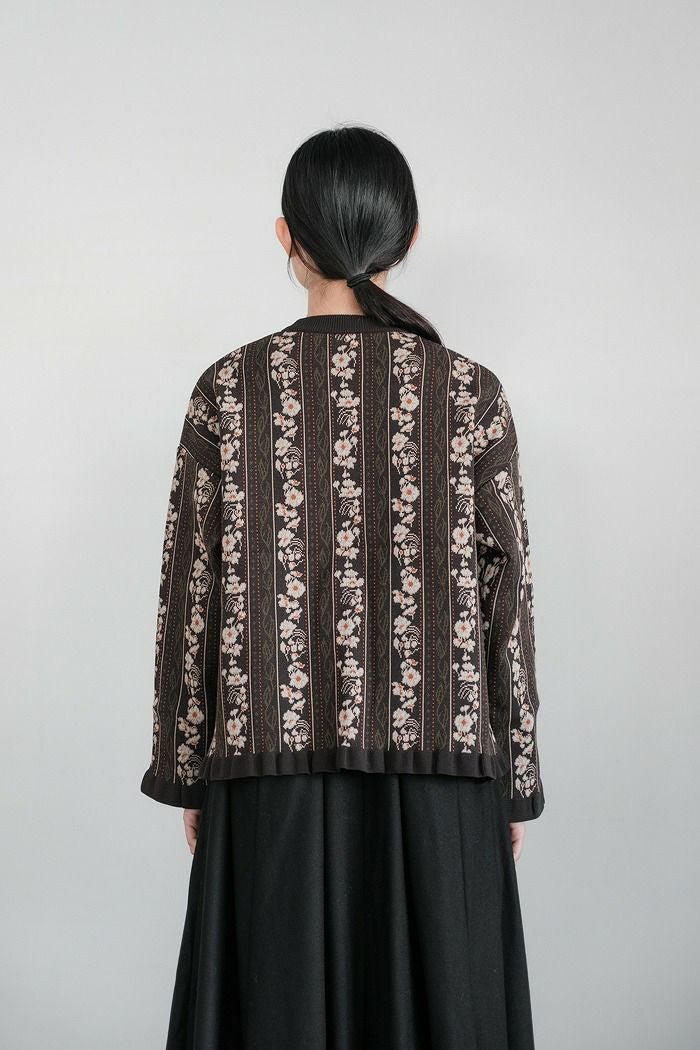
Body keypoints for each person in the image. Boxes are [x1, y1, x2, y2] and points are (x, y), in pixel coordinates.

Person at [141, 124, 545, 1050]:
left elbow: (189, 590)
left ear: (285, 234)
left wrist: (188, 765)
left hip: (267, 769)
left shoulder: (229, 390)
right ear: (406, 239)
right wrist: (513, 776)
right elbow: (508, 601)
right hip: (443, 772)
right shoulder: (470, 394)